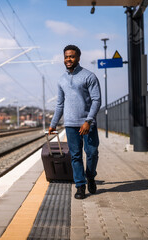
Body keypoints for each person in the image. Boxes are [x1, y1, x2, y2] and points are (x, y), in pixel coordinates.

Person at [48, 45, 101, 199]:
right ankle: (80, 186)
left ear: (78, 57)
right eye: (66, 57)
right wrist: (53, 124)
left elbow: (97, 100)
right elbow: (60, 104)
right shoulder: (61, 80)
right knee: (75, 156)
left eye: (71, 56)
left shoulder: (89, 76)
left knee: (92, 153)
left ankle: (90, 176)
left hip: (87, 124)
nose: (68, 59)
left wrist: (88, 121)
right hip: (70, 124)